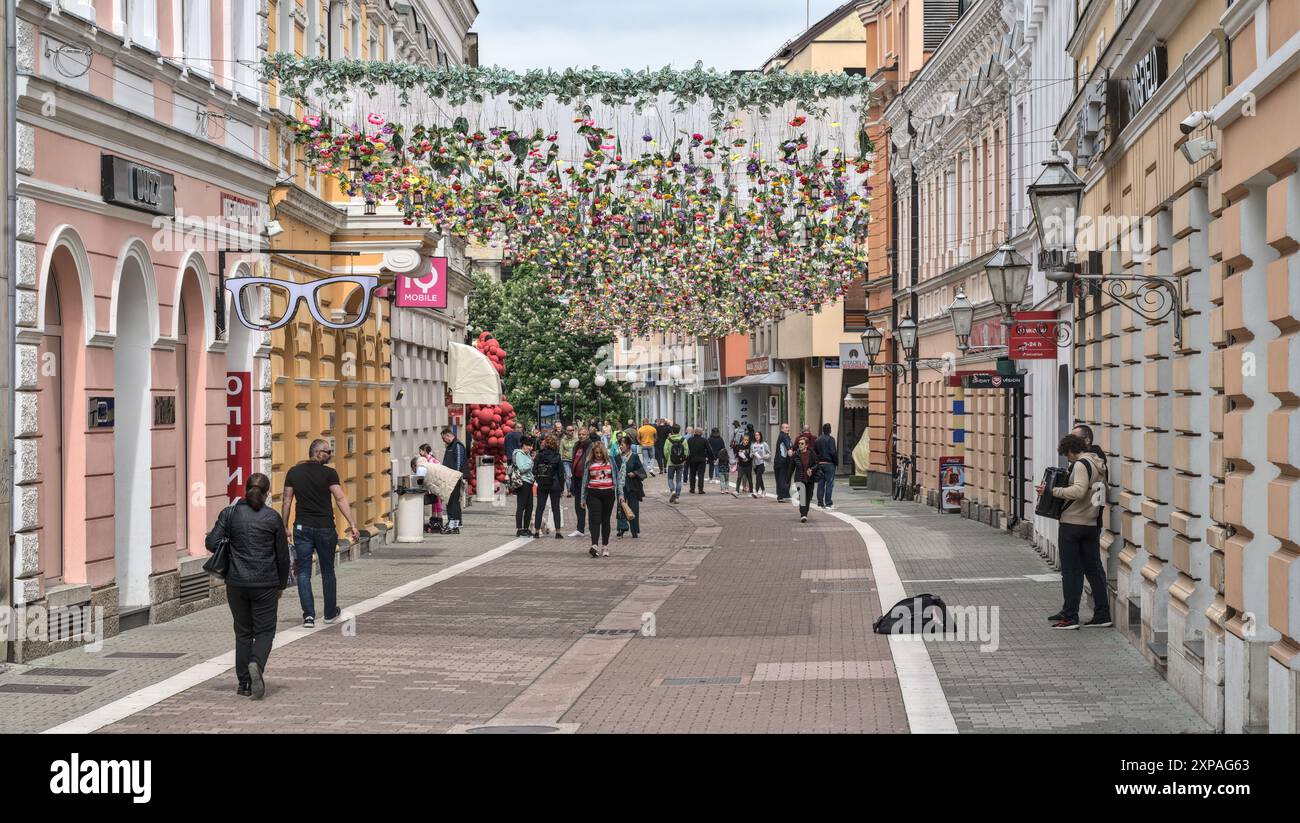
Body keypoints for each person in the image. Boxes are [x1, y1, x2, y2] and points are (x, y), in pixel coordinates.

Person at [207, 473, 289, 699]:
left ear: (245, 489)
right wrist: (281, 584)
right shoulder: (272, 518)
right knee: (264, 631)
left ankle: (244, 683)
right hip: (266, 584)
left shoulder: (230, 513)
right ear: (267, 493)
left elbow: (211, 543)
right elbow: (283, 557)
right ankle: (256, 664)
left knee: (243, 632)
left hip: (236, 583)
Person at [1037, 433, 1111, 630]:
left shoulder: (1080, 464)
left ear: (1071, 450)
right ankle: (1102, 614)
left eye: (1066, 454)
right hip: (1091, 522)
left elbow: (1078, 491)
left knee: (1071, 572)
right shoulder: (1099, 464)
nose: (1067, 458)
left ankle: (1070, 617)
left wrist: (1052, 491)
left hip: (1073, 523)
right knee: (1094, 570)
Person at [282, 439, 359, 629]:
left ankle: (308, 616)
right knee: (327, 571)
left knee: (303, 572)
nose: (330, 454)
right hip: (325, 528)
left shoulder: (293, 472)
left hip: (302, 528)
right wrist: (352, 524)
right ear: (317, 452)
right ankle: (330, 613)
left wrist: (284, 526)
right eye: (327, 451)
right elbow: (340, 498)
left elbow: (286, 500)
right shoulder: (329, 474)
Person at [580, 441, 617, 557]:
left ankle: (605, 546)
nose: (599, 455)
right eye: (596, 453)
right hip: (593, 493)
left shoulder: (610, 461)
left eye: (601, 453)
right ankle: (594, 545)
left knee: (605, 520)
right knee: (595, 519)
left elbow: (617, 477)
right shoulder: (589, 463)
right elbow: (585, 481)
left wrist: (620, 495)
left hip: (608, 494)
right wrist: (583, 498)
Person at [532, 435, 565, 539]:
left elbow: (534, 470)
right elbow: (561, 474)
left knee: (540, 508)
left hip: (542, 484)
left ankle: (537, 531)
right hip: (554, 484)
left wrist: (538, 478)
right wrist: (562, 487)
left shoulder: (539, 455)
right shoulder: (557, 456)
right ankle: (558, 532)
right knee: (555, 508)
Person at [614, 435, 647, 539]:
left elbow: (642, 470)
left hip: (632, 486)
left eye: (622, 444)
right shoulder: (617, 458)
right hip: (621, 487)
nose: (620, 446)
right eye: (620, 444)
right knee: (621, 507)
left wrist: (634, 473)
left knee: (633, 508)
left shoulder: (634, 456)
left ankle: (634, 530)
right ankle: (622, 528)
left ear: (628, 445)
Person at [440, 428, 469, 534]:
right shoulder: (450, 446)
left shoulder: (457, 445)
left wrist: (454, 476)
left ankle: (455, 524)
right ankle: (452, 523)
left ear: (448, 436)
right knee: (451, 501)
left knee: (454, 501)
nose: (444, 441)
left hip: (454, 478)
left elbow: (458, 462)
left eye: (444, 439)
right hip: (450, 477)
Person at [568, 431, 591, 538]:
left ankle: (592, 528)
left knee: (590, 504)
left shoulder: (590, 446)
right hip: (577, 479)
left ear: (587, 435)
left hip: (586, 479)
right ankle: (580, 528)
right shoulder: (577, 446)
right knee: (578, 505)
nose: (581, 436)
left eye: (583, 434)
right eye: (580, 434)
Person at [511, 436, 535, 537]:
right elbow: (521, 468)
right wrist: (531, 462)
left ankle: (526, 528)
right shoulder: (519, 454)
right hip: (522, 482)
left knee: (529, 507)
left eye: (531, 446)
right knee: (521, 506)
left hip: (529, 482)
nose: (530, 448)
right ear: (523, 445)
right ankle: (519, 529)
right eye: (528, 445)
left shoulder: (527, 455)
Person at [791, 436, 817, 522]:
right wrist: (787, 480)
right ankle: (803, 515)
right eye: (799, 443)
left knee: (808, 497)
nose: (800, 445)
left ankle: (805, 513)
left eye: (802, 443)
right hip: (799, 479)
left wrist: (811, 469)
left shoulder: (812, 453)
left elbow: (816, 464)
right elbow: (791, 468)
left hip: (809, 479)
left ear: (806, 445)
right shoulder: (796, 455)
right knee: (802, 497)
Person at [813, 423, 839, 510]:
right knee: (829, 484)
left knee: (820, 483)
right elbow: (833, 452)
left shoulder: (818, 440)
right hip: (829, 464)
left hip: (820, 463)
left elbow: (815, 452)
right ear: (829, 430)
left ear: (823, 430)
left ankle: (820, 502)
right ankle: (828, 503)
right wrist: (836, 462)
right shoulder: (831, 439)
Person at [663, 424, 688, 503]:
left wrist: (669, 459)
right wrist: (683, 459)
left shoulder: (668, 440)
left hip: (671, 463)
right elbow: (686, 451)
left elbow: (665, 451)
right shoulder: (683, 440)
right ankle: (677, 497)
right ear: (679, 430)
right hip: (680, 463)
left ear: (672, 431)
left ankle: (672, 491)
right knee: (679, 480)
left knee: (670, 478)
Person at [774, 423, 793, 502]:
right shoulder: (784, 435)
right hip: (782, 462)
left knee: (780, 478)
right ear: (782, 429)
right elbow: (787, 445)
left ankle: (782, 495)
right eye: (786, 427)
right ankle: (782, 496)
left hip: (780, 461)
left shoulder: (784, 436)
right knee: (782, 478)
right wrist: (789, 450)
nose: (788, 429)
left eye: (788, 427)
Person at [687, 427, 709, 494]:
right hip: (701, 460)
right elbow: (709, 449)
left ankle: (692, 489)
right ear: (701, 433)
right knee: (701, 475)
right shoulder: (704, 440)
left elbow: (687, 450)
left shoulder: (690, 440)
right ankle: (700, 489)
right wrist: (711, 457)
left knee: (692, 474)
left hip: (692, 459)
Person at [560, 425, 578, 496]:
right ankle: (569, 491)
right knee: (568, 475)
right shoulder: (563, 440)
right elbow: (561, 451)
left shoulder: (576, 440)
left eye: (572, 430)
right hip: (565, 461)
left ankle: (574, 490)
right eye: (570, 430)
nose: (571, 431)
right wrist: (560, 461)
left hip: (574, 460)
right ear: (566, 431)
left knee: (574, 476)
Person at [751, 431, 770, 498]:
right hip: (755, 464)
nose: (757, 436)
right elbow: (751, 454)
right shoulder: (753, 444)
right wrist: (752, 454)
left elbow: (769, 454)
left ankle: (756, 492)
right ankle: (763, 490)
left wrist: (764, 456)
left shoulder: (764, 444)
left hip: (762, 463)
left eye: (758, 435)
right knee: (759, 477)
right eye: (756, 435)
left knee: (758, 476)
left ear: (760, 436)